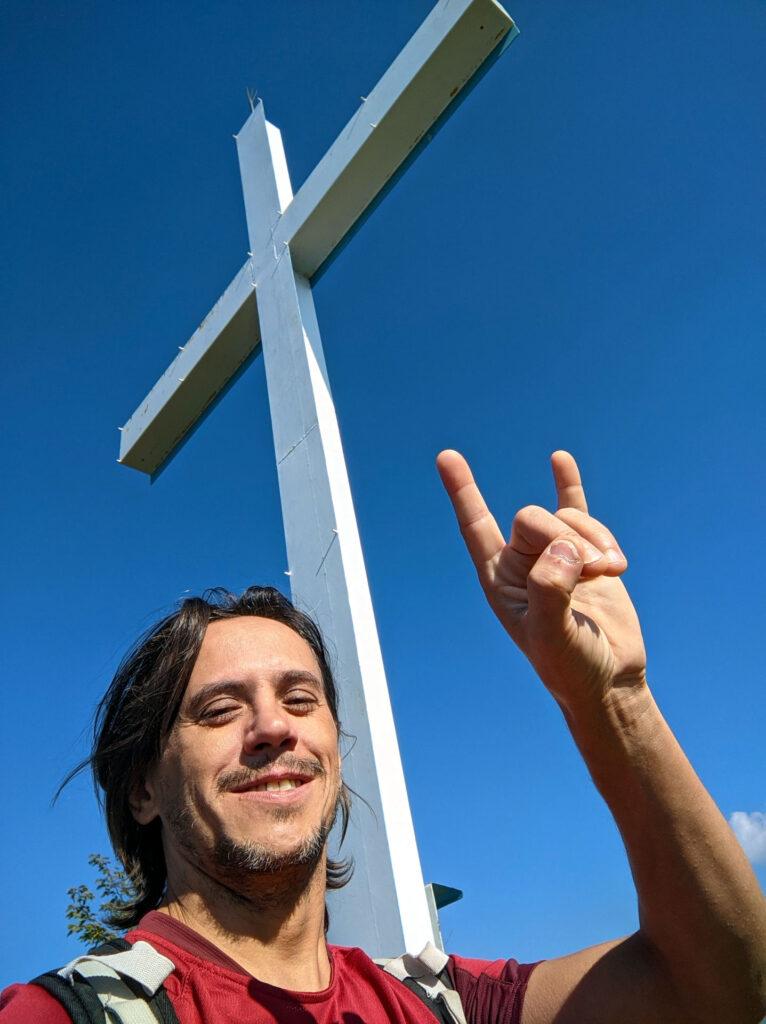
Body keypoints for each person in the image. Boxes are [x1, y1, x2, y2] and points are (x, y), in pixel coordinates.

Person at [2, 451, 765, 1024]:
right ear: (142, 789)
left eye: (301, 699)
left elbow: (722, 983)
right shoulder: (70, 1014)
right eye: (219, 711)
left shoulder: (436, 1003)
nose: (273, 729)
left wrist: (614, 699)